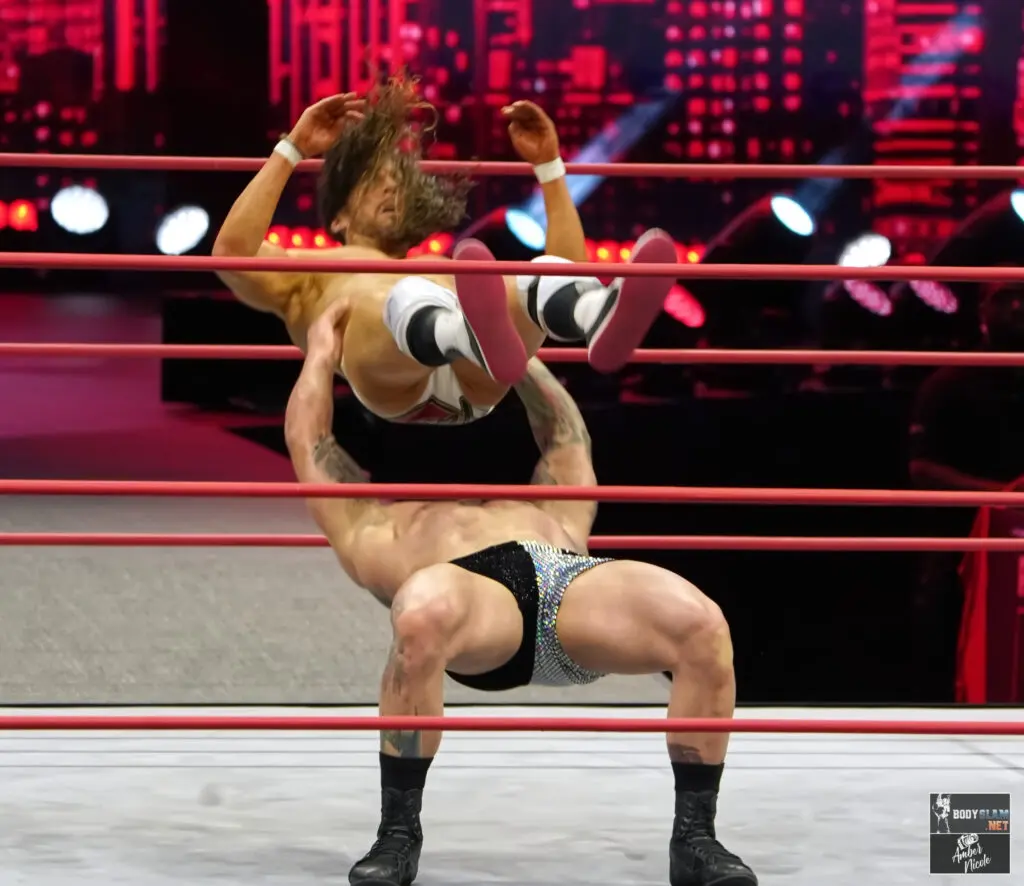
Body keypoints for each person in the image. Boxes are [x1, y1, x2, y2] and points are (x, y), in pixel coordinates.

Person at [282, 304, 759, 886]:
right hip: (473, 603)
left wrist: (510, 348)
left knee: (702, 623)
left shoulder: (547, 505)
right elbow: (310, 442)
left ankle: (696, 840)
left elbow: (565, 434)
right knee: (424, 607)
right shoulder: (373, 524)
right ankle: (398, 835)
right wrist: (321, 353)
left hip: (568, 581)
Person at [213, 77, 677, 425]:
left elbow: (565, 268)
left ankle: (595, 314)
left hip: (481, 374)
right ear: (337, 217)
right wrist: (294, 148)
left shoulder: (442, 266)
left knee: (534, 274)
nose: (390, 188)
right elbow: (232, 254)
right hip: (393, 383)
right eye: (374, 181)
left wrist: (549, 166)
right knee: (394, 293)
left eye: (396, 182)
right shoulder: (310, 270)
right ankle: (461, 331)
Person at [908, 275, 1024, 700]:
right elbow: (922, 470)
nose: (1017, 307)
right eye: (1005, 298)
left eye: (1023, 297)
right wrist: (1000, 498)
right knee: (949, 659)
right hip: (960, 549)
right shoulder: (951, 381)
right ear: (983, 311)